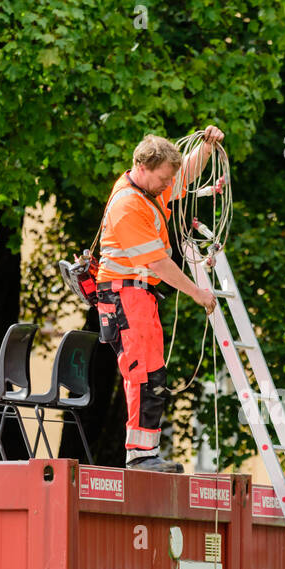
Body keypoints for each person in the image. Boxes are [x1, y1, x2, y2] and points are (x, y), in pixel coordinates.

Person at [93, 127, 222, 473]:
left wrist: (207, 147)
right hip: (124, 294)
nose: (169, 186)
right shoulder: (128, 205)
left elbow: (185, 174)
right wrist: (196, 292)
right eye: (163, 178)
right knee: (141, 374)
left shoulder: (150, 190)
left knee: (154, 374)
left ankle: (144, 452)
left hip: (139, 294)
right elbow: (158, 263)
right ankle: (138, 456)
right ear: (142, 166)